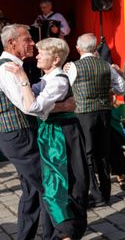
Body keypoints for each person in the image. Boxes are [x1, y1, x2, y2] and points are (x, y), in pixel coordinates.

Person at [5, 37, 89, 239]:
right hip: (51, 134)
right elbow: (30, 102)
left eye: (43, 53)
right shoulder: (46, 80)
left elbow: (33, 106)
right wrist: (59, 106)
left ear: (56, 59)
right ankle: (63, 230)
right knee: (54, 185)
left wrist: (22, 76)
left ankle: (67, 231)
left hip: (61, 136)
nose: (37, 55)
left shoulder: (58, 81)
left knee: (63, 183)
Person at [0, 24, 54, 239]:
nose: (32, 43)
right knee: (48, 186)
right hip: (18, 134)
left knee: (32, 190)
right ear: (12, 43)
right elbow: (26, 105)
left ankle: (26, 236)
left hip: (18, 133)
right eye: (28, 39)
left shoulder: (12, 65)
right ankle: (55, 235)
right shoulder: (8, 67)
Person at [65, 33, 125, 207]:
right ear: (94, 48)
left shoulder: (74, 67)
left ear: (78, 49)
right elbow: (122, 88)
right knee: (103, 152)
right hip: (104, 113)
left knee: (88, 154)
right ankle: (106, 193)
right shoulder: (106, 65)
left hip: (84, 115)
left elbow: (65, 90)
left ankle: (96, 194)